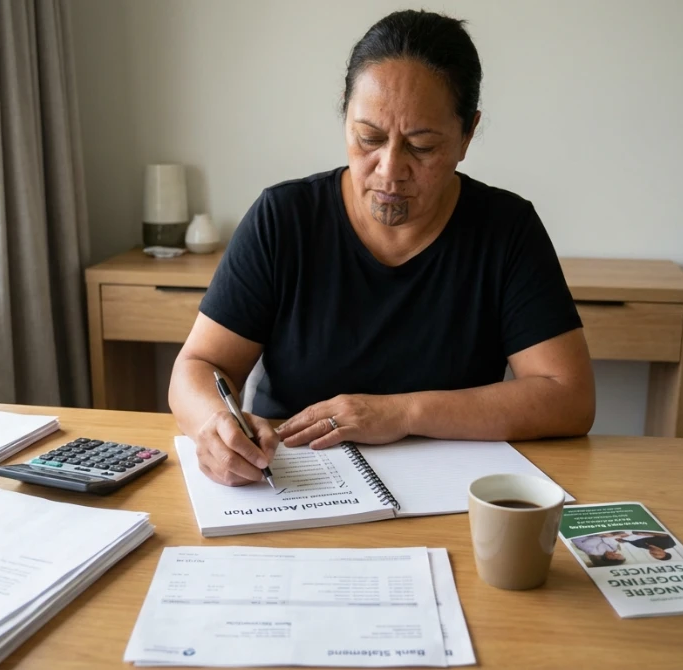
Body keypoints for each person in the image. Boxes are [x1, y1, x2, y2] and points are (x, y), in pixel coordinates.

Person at [169, 9, 596, 487]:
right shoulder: (284, 219)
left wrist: (403, 413)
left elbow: (569, 398)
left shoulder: (505, 229)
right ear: (345, 116)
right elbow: (197, 366)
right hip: (293, 481)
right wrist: (213, 424)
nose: (389, 170)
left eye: (422, 146)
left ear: (467, 135)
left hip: (449, 488)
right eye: (368, 138)